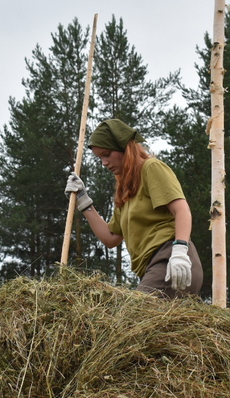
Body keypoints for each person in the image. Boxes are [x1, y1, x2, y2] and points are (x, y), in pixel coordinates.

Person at [64, 119, 203, 298]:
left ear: (124, 148)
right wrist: (84, 202)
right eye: (100, 158)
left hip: (170, 259)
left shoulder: (151, 168)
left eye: (107, 154)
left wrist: (179, 250)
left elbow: (181, 209)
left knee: (131, 320)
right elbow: (111, 238)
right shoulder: (125, 190)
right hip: (151, 269)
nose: (104, 163)